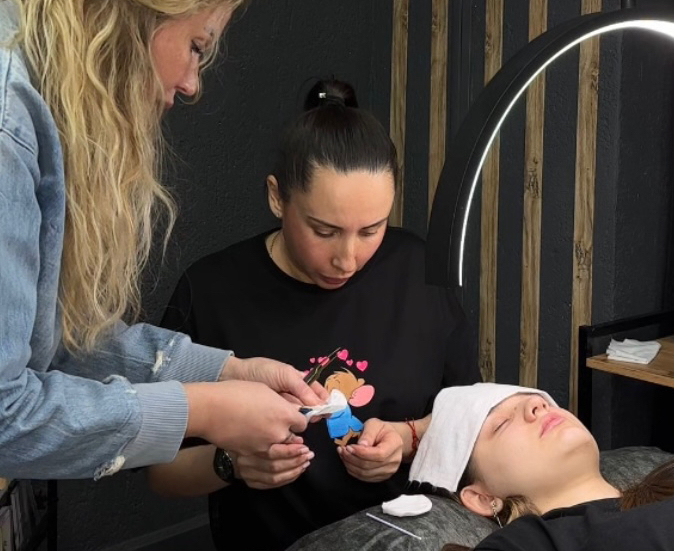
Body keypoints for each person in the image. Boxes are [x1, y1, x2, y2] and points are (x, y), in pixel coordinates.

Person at [0, 0, 326, 541]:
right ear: (137, 8)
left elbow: (44, 339)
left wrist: (225, 371)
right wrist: (205, 410)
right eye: (196, 47)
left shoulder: (0, 54)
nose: (191, 84)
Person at [148, 78, 481, 551]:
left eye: (371, 230)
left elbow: (471, 419)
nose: (348, 259)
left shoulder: (418, 272)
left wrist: (408, 439)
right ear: (277, 197)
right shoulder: (210, 291)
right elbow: (160, 472)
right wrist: (232, 463)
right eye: (324, 231)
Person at [409, 382, 674, 551]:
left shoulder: (666, 480)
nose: (537, 404)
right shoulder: (524, 543)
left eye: (540, 400)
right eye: (501, 424)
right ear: (482, 498)